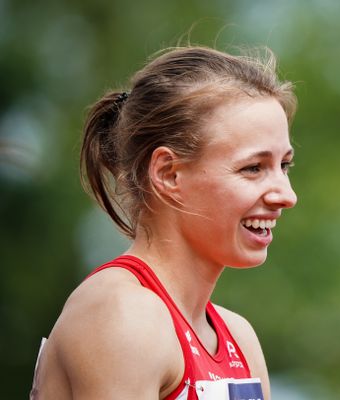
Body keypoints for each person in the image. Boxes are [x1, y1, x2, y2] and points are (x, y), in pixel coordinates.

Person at [30, 45, 298, 400]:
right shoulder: (123, 315)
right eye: (253, 168)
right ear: (169, 174)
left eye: (284, 166)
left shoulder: (238, 337)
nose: (286, 195)